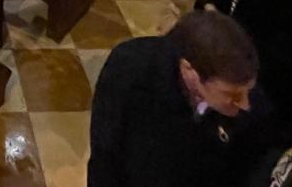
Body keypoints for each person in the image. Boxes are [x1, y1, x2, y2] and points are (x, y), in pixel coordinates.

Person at [88, 10, 268, 187]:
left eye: (248, 91)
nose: (246, 105)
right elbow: (105, 157)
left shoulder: (246, 92)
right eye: (233, 96)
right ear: (190, 70)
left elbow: (249, 167)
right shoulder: (130, 69)